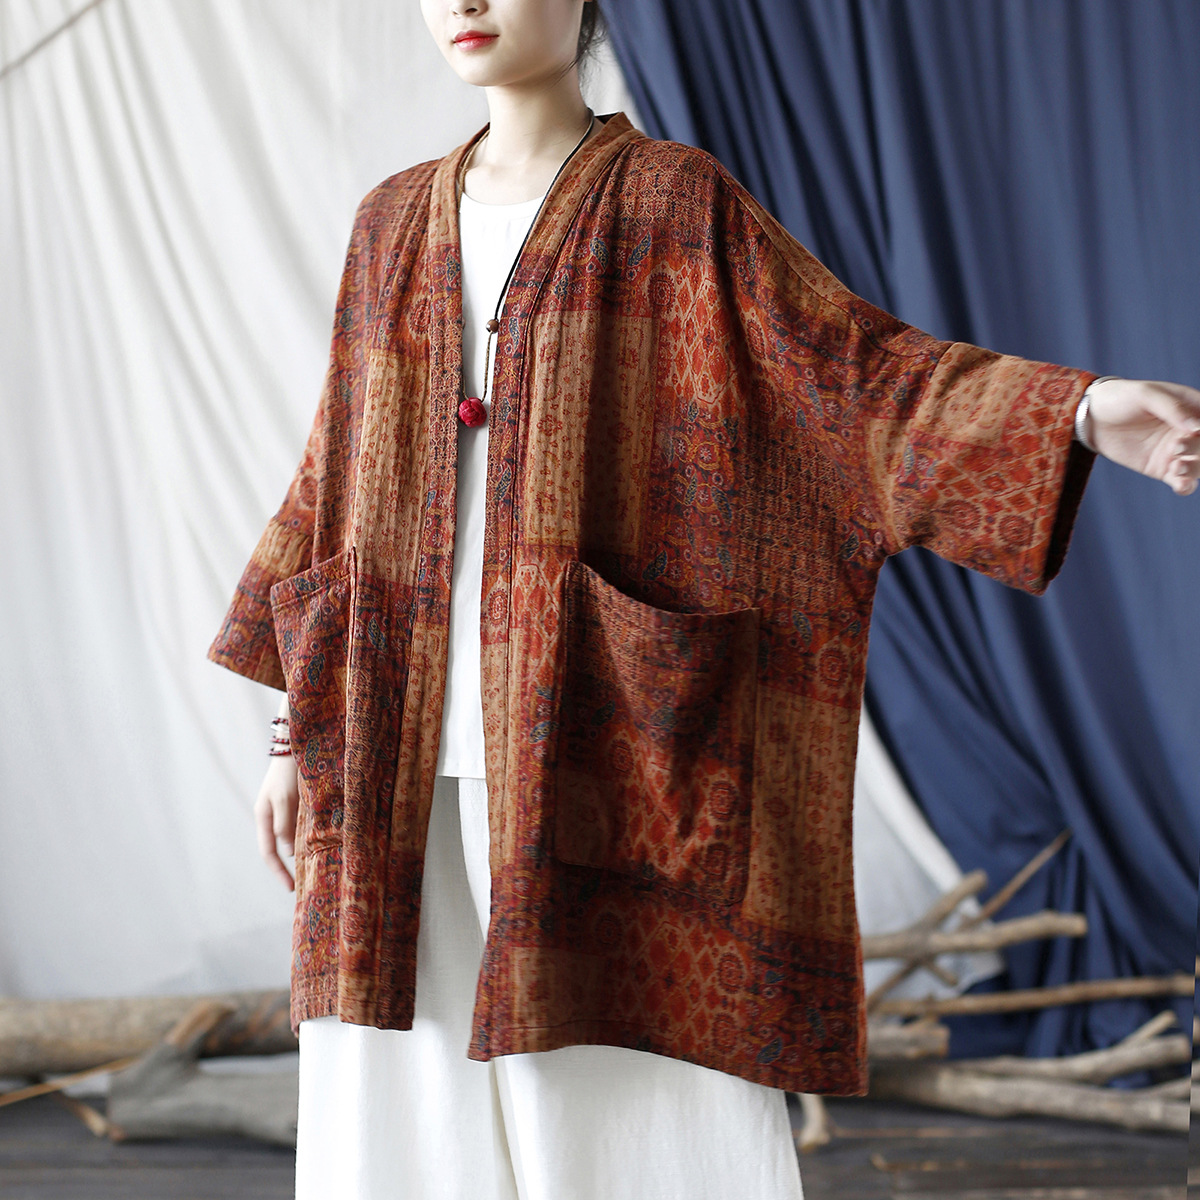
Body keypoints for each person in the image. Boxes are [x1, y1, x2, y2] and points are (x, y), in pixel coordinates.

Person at [207, 2, 1200, 1197]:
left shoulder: (675, 202)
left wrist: (1075, 414)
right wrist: (292, 735)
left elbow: (851, 382)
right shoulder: (388, 222)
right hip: (390, 737)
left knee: (615, 1110)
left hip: (596, 733)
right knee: (402, 1110)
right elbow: (335, 485)